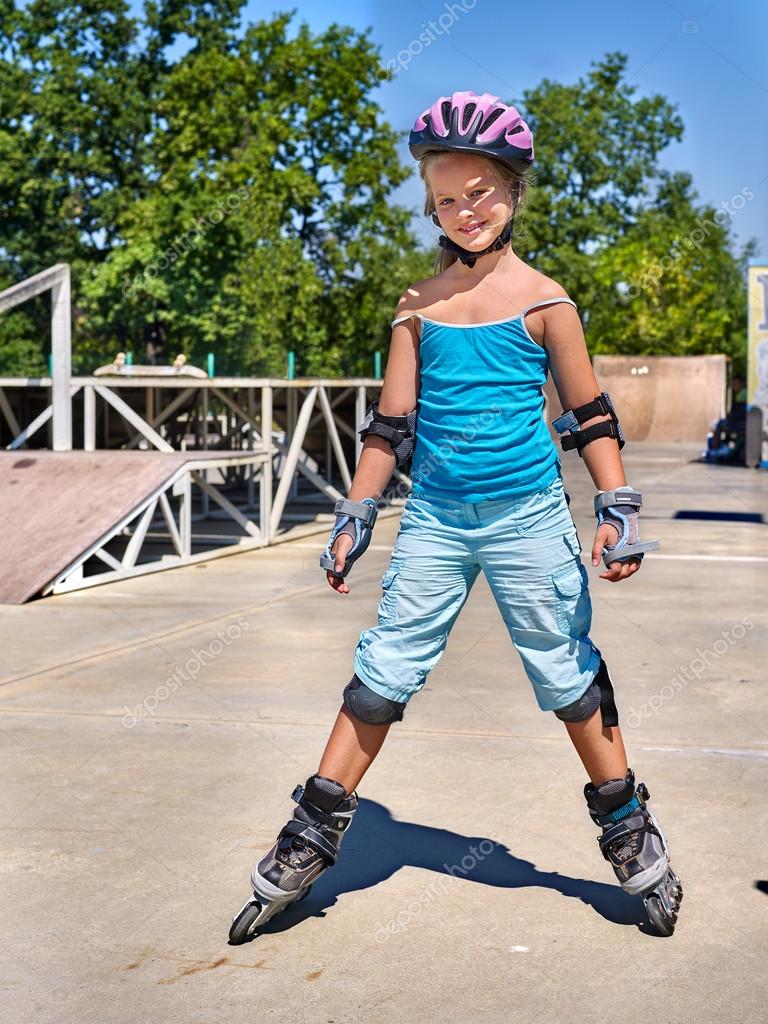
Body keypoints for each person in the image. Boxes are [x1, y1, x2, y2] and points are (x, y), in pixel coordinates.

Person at [229, 91, 682, 943]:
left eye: (482, 190)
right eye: (447, 196)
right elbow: (390, 427)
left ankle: (628, 829)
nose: (465, 209)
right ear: (430, 204)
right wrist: (358, 512)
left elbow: (589, 415)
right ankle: (310, 832)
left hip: (526, 518)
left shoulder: (548, 302)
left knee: (566, 675)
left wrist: (616, 505)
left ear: (514, 190)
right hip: (435, 517)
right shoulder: (416, 305)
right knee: (382, 670)